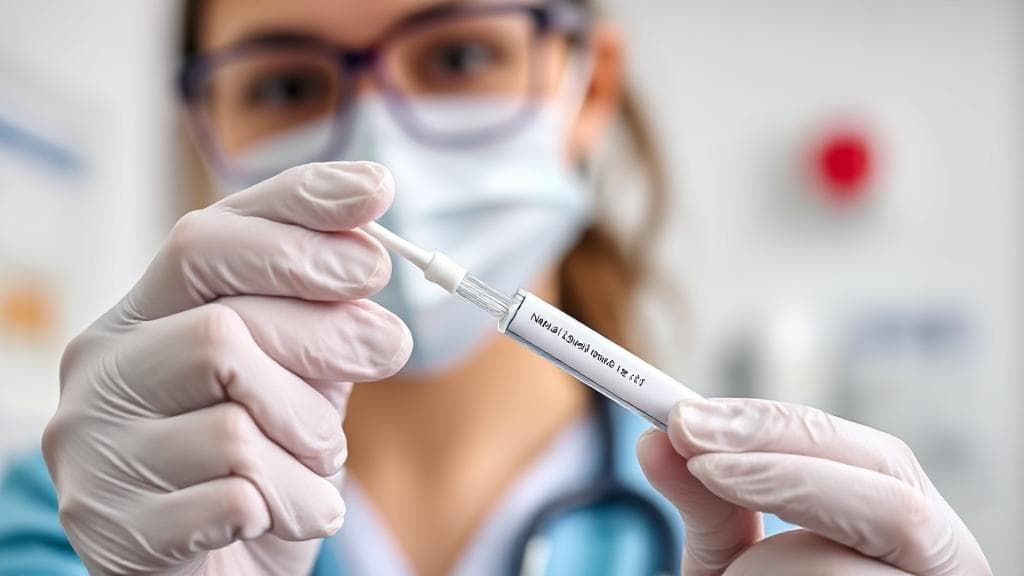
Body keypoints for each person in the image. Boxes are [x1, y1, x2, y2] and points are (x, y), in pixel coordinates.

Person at [0, 0, 992, 574]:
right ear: (202, 129)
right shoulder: (95, 513)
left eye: (461, 55)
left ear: (586, 86)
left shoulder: (788, 544)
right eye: (288, 85)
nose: (382, 137)